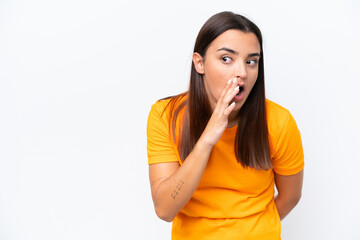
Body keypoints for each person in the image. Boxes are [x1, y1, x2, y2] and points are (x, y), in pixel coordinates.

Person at [146, 11, 304, 239]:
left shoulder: (279, 121)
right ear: (199, 63)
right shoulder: (166, 116)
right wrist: (208, 138)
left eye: (251, 62)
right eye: (226, 59)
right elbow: (164, 209)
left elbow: (290, 196)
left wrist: (255, 230)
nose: (242, 73)